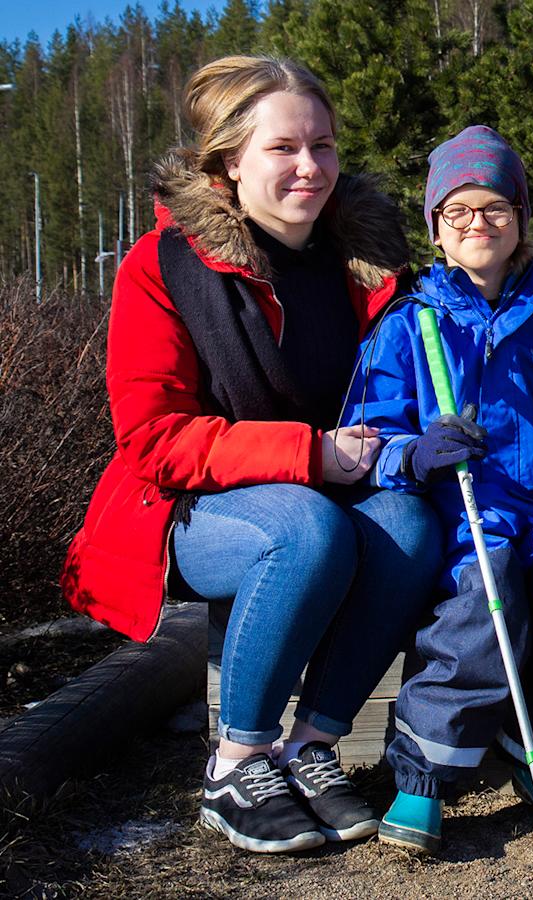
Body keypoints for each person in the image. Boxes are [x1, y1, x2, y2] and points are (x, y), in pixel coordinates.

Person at [59, 55, 444, 854]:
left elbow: (423, 379)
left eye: (325, 145)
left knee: (408, 525)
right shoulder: (161, 268)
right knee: (303, 528)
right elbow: (153, 440)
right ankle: (236, 765)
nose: (311, 167)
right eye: (283, 148)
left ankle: (311, 747)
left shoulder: (368, 268)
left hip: (331, 486)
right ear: (229, 163)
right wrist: (311, 455)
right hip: (192, 508)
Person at [343, 126, 533, 854]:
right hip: (461, 514)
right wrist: (415, 455)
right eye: (459, 212)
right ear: (437, 230)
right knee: (484, 598)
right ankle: (424, 777)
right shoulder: (408, 327)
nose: (478, 223)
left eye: (495, 210)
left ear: (520, 223)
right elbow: (368, 433)